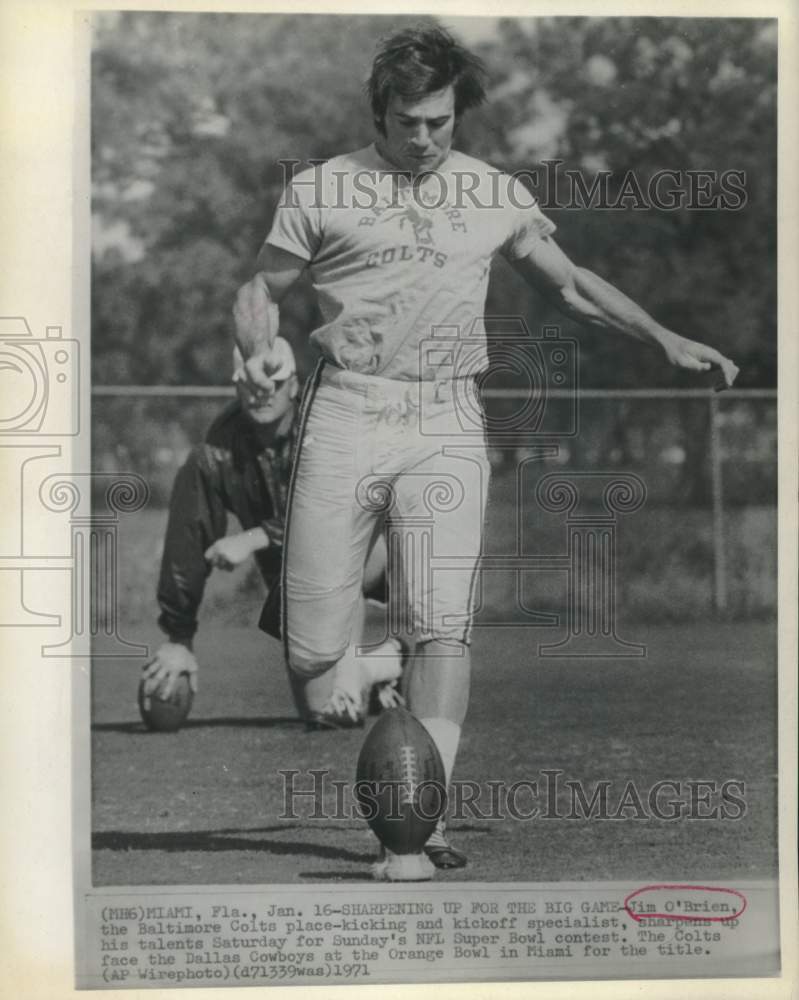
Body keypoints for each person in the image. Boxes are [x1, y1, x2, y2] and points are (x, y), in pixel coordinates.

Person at [232, 27, 739, 878]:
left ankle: (419, 825)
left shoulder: (491, 192)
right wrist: (260, 350)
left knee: (442, 628)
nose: (422, 137)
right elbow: (259, 290)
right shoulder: (321, 187)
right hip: (349, 410)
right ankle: (367, 662)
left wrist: (662, 335)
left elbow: (571, 286)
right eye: (405, 121)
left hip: (446, 420)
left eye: (437, 120)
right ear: (379, 114)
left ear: (457, 111)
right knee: (315, 663)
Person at [140, 337, 404, 730]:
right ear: (237, 385)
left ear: (295, 386)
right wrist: (179, 637)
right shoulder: (218, 448)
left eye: (275, 383)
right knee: (317, 712)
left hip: (373, 555)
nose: (262, 393)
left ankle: (358, 676)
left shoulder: (325, 424)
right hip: (296, 584)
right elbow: (187, 535)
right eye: (251, 384)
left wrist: (253, 538)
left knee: (337, 558)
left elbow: (344, 515)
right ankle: (381, 665)